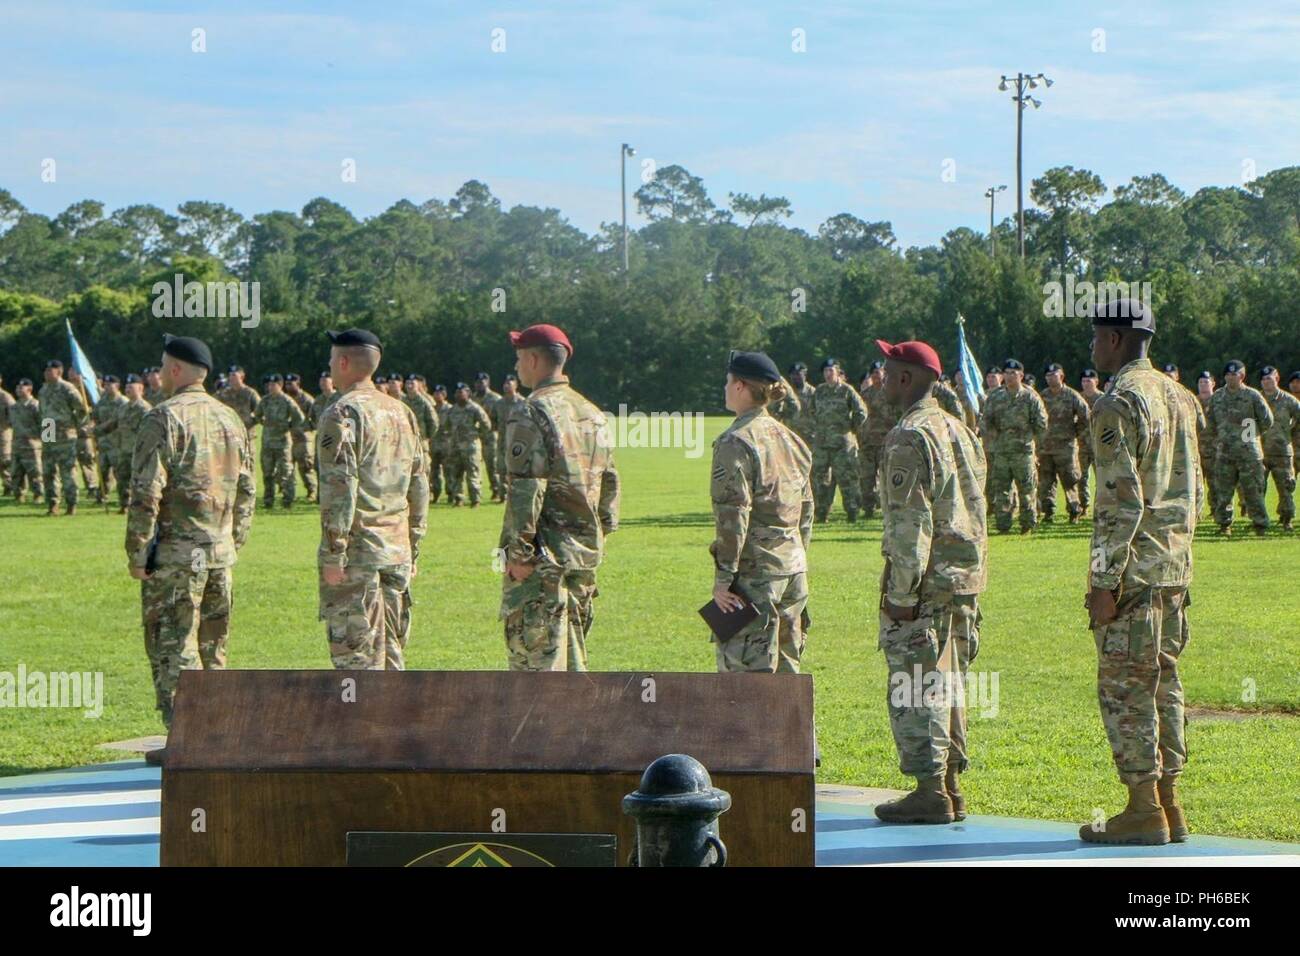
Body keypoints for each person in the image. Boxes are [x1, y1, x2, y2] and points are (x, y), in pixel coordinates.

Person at [1080, 298, 1200, 846]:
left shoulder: (1118, 401)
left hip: (1134, 573)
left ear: (1114, 340)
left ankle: (1141, 807)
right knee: (1164, 686)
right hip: (1173, 568)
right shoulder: (1180, 396)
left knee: (1127, 689)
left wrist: (1104, 584)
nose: (1092, 346)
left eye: (1096, 336)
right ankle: (1169, 803)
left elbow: (1118, 504)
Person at [871, 339, 987, 825]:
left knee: (917, 683)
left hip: (927, 583)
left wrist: (900, 594)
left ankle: (929, 789)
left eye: (885, 371)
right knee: (950, 682)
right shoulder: (959, 430)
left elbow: (909, 524)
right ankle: (951, 786)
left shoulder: (909, 435)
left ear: (905, 379)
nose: (878, 380)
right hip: (963, 579)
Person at [126, 335, 255, 764]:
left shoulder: (162, 418)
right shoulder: (230, 418)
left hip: (178, 557)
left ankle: (187, 739)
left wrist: (137, 551)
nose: (159, 374)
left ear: (177, 370)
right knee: (213, 647)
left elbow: (146, 492)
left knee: (174, 644)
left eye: (163, 366)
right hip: (218, 553)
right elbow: (248, 488)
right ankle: (214, 736)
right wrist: (233, 539)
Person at [499, 323, 619, 671]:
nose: (517, 366)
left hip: (543, 558)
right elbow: (609, 482)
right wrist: (599, 535)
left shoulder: (530, 411)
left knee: (538, 666)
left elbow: (526, 488)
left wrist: (518, 553)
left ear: (534, 359)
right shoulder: (592, 412)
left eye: (519, 357)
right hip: (582, 557)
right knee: (573, 659)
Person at [316, 329, 428, 670]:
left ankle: (362, 724)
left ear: (345, 362)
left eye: (333, 360)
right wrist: (414, 544)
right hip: (396, 550)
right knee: (391, 652)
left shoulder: (342, 413)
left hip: (358, 553)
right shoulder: (401, 412)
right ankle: (394, 723)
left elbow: (340, 488)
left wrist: (334, 552)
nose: (330, 367)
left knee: (357, 657)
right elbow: (419, 483)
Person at [708, 350, 813, 673]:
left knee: (744, 684)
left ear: (740, 386)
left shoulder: (735, 441)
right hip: (793, 570)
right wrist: (797, 555)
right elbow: (806, 511)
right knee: (786, 677)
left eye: (728, 382)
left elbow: (733, 515)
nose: (725, 388)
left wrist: (724, 578)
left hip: (755, 576)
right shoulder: (792, 440)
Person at [1204, 359, 1272, 535]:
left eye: (1234, 374)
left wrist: (1252, 437)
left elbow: (1267, 420)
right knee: (1223, 492)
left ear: (1242, 376)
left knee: (1253, 491)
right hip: (1225, 453)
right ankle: (1224, 524)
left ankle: (1260, 524)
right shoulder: (1217, 397)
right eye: (1227, 374)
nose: (1230, 377)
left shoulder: (1253, 396)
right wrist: (1217, 440)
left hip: (1249, 454)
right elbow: (1210, 423)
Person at [980, 359, 1047, 533]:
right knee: (1001, 490)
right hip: (1001, 451)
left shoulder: (1030, 397)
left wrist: (1034, 444)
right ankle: (1003, 525)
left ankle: (1027, 524)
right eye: (1007, 373)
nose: (1009, 377)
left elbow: (1041, 424)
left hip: (1023, 451)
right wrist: (993, 437)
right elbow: (985, 420)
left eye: (1013, 373)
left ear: (1021, 375)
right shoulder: (995, 396)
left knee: (1027, 490)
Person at [810, 358, 868, 522]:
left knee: (847, 479)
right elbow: (812, 410)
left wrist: (851, 429)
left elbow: (861, 412)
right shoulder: (819, 391)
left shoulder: (846, 391)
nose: (828, 374)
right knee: (820, 480)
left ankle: (852, 512)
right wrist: (822, 427)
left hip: (842, 444)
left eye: (831, 371)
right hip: (822, 444)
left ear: (838, 372)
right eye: (825, 372)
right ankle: (821, 513)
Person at [1038, 363, 1090, 523]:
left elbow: (1086, 416)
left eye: (1054, 375)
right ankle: (1048, 512)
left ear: (1061, 376)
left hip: (1066, 447)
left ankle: (1074, 511)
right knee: (1046, 482)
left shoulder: (1071, 395)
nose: (1050, 378)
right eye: (1048, 376)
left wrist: (1077, 433)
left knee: (1070, 480)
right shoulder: (1042, 396)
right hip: (1046, 448)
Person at [38, 359, 90, 515]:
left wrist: (76, 425)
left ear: (59, 372)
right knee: (48, 470)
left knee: (67, 470)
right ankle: (53, 503)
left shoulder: (67, 388)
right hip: (48, 430)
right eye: (46, 371)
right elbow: (42, 412)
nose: (47, 373)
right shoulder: (43, 390)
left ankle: (71, 503)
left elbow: (82, 409)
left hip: (65, 432)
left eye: (50, 370)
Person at [254, 374, 305, 509]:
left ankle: (288, 499)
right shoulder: (265, 401)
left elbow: (299, 417)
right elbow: (257, 415)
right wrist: (263, 423)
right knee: (267, 473)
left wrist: (289, 426)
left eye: (273, 385)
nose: (271, 387)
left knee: (285, 472)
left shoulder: (287, 400)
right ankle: (268, 500)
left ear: (280, 385)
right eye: (269, 385)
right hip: (267, 443)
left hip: (283, 443)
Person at [1259, 366, 1300, 531]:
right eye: (1264, 379)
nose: (1267, 382)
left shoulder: (1289, 400)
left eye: (1270, 379)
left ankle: (1286, 519)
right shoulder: (1256, 399)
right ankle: (1260, 521)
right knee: (1257, 488)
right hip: (1260, 452)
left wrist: (1292, 435)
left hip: (1282, 452)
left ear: (1277, 379)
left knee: (1285, 488)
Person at [859, 361, 899, 519]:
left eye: (879, 372)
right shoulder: (865, 395)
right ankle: (868, 508)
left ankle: (889, 507)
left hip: (887, 442)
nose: (877, 375)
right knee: (867, 478)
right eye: (874, 373)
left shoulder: (892, 394)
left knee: (888, 477)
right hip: (868, 443)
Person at [442, 382, 493, 506]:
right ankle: (458, 498)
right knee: (456, 473)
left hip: (471, 446)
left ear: (468, 394)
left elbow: (486, 425)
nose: (460, 395)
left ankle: (475, 499)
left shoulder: (474, 408)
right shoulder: (452, 410)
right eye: (458, 392)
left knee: (473, 473)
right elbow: (446, 426)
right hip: (456, 446)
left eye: (462, 392)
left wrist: (477, 434)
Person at [92, 376, 127, 505]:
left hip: (117, 443)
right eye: (105, 385)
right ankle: (101, 496)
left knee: (120, 473)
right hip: (103, 443)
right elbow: (94, 417)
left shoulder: (123, 402)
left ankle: (124, 500)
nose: (106, 387)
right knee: (102, 472)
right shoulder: (102, 401)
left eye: (109, 385)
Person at [284, 373, 319, 503]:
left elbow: (316, 417)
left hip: (303, 439)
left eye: (290, 384)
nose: (288, 387)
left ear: (298, 384)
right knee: (288, 468)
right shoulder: (286, 398)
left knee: (306, 467)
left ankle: (312, 491)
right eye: (286, 384)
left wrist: (307, 427)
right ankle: (289, 494)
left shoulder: (307, 399)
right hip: (288, 438)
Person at [491, 374, 526, 496]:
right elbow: (493, 420)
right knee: (501, 468)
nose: (506, 386)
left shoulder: (523, 403)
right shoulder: (498, 404)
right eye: (505, 384)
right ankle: (503, 494)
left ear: (516, 386)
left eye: (509, 384)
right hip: (502, 440)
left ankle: (517, 492)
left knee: (517, 468)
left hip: (518, 441)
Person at [8, 379, 43, 502]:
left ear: (29, 389)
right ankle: (19, 495)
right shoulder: (14, 407)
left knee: (35, 473)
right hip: (17, 445)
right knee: (16, 473)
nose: (18, 389)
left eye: (21, 387)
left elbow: (46, 424)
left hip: (32, 446)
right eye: (17, 387)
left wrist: (48, 442)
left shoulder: (36, 405)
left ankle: (38, 494)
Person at [472, 372, 505, 501]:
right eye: (478, 382)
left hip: (490, 437)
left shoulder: (495, 399)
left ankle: (496, 490)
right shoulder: (473, 398)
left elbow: (498, 418)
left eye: (483, 381)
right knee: (474, 466)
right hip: (475, 436)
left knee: (493, 465)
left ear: (488, 383)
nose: (480, 384)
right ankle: (476, 493)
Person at [1078, 369, 1103, 517]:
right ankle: (1084, 506)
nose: (1086, 384)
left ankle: (1100, 507)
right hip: (1081, 444)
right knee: (1081, 478)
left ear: (1096, 381)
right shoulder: (1078, 398)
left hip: (1099, 446)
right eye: (1083, 381)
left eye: (1089, 380)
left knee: (1101, 478)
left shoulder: (1103, 399)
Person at [217, 365, 260, 437]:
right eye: (229, 375)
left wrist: (249, 422)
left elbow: (260, 411)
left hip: (246, 434)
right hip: (230, 435)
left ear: (242, 377)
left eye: (234, 375)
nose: (231, 378)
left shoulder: (250, 393)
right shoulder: (223, 393)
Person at [0, 373, 13, 496]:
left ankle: (9, 485)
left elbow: (14, 415)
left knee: (5, 460)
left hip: (3, 433)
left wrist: (7, 425)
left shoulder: (5, 397)